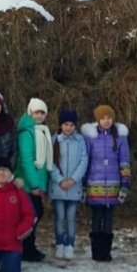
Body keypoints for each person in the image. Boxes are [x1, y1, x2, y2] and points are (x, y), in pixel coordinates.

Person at [81, 104, 130, 262]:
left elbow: (124, 162)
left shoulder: (120, 138)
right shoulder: (91, 138)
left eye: (109, 118)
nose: (106, 121)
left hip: (113, 186)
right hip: (95, 185)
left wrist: (125, 183)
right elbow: (85, 161)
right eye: (103, 118)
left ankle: (106, 251)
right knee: (96, 217)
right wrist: (82, 184)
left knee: (108, 218)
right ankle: (96, 251)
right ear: (98, 120)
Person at [15, 98, 52, 262]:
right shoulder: (27, 133)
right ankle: (25, 247)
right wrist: (35, 184)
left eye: (42, 113)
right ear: (30, 112)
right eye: (36, 112)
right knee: (32, 214)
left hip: (37, 182)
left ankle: (28, 247)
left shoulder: (42, 131)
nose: (39, 116)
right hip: (27, 183)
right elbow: (27, 160)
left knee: (34, 213)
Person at [49, 108, 88, 259]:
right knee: (59, 217)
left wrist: (73, 179)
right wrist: (59, 179)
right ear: (60, 125)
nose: (69, 128)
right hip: (58, 188)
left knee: (71, 217)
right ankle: (59, 244)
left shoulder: (80, 141)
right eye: (66, 124)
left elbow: (84, 161)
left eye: (72, 125)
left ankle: (70, 244)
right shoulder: (54, 140)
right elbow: (50, 162)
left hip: (73, 188)